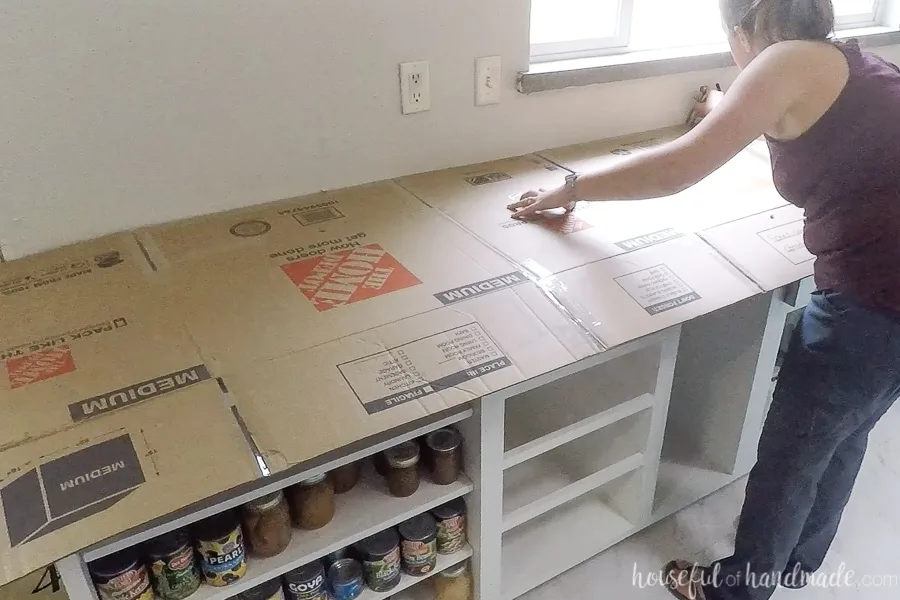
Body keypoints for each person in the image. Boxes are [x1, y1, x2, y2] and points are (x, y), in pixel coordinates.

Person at [509, 0, 900, 598]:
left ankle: (737, 589)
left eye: (729, 42)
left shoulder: (781, 63)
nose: (733, 57)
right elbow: (776, 123)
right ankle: (800, 559)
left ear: (747, 30)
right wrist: (719, 110)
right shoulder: (845, 64)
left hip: (873, 302)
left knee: (793, 453)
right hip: (889, 301)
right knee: (847, 429)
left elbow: (676, 170)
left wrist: (572, 188)